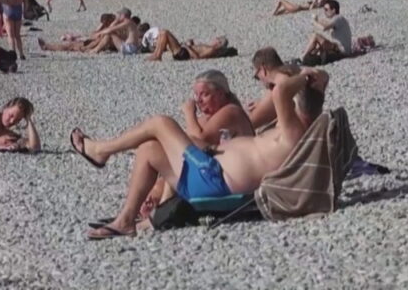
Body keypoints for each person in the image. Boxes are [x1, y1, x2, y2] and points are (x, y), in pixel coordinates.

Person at [70, 68, 328, 239]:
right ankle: (125, 220)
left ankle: (100, 151)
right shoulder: (288, 133)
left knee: (160, 123)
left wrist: (306, 75)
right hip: (210, 176)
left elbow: (281, 91)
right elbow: (285, 93)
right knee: (149, 148)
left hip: (214, 180)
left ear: (296, 104)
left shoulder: (293, 135)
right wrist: (318, 82)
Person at [139, 70, 256, 215]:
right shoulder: (204, 120)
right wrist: (156, 189)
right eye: (196, 95)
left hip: (233, 180)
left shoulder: (231, 112)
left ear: (221, 94)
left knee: (181, 151)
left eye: (204, 94)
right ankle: (153, 202)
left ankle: (162, 208)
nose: (198, 101)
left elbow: (195, 142)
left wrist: (189, 113)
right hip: (214, 176)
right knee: (155, 150)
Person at [246, 47, 301, 130]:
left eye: (257, 77)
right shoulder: (294, 73)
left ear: (263, 70)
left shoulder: (279, 86)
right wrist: (260, 103)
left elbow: (249, 123)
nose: (260, 81)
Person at [302, 0, 352, 64]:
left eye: (326, 9)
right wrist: (317, 20)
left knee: (316, 36)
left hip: (341, 51)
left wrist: (314, 22)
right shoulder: (337, 19)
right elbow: (325, 23)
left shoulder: (338, 18)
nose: (324, 12)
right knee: (318, 43)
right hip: (340, 49)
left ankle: (302, 57)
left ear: (333, 10)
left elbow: (324, 28)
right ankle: (307, 57)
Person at [38, 13, 116, 53]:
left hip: (92, 45)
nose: (102, 24)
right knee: (70, 45)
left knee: (70, 46)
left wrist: (85, 47)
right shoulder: (107, 28)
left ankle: (47, 47)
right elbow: (94, 33)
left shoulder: (109, 31)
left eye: (104, 23)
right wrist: (101, 26)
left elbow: (97, 38)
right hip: (91, 43)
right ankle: (48, 46)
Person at [146, 30, 232, 62]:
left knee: (165, 33)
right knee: (162, 33)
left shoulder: (212, 49)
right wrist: (191, 45)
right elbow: (197, 51)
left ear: (219, 43)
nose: (214, 39)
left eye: (217, 39)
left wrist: (187, 47)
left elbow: (198, 57)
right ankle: (156, 54)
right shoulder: (209, 47)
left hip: (184, 53)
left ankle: (157, 56)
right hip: (184, 51)